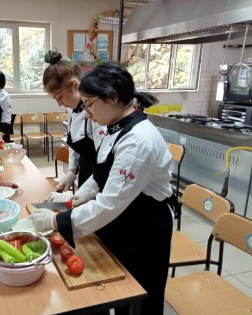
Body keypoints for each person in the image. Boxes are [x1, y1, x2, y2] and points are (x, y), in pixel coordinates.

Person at [28, 62, 178, 315]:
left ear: (112, 97)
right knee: (115, 286)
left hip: (145, 224)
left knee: (139, 297)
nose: (86, 113)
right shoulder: (114, 126)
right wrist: (78, 195)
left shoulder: (138, 142)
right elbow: (101, 173)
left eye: (88, 104)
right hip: (124, 216)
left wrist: (57, 220)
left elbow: (109, 203)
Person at [42, 51, 104, 194]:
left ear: (74, 85)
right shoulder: (71, 109)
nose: (59, 104)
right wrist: (71, 171)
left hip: (101, 177)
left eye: (60, 97)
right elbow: (75, 143)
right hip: (85, 171)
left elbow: (106, 164)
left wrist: (83, 195)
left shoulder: (97, 112)